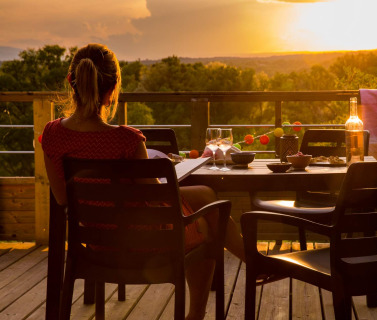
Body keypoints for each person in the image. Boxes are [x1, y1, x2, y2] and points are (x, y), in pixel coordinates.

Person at [41, 43, 245, 320]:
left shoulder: (52, 134)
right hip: (144, 240)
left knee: (207, 194)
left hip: (97, 243)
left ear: (71, 82)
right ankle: (200, 311)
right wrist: (167, 172)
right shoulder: (127, 139)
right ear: (112, 90)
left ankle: (255, 264)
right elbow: (157, 199)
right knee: (211, 221)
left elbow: (63, 198)